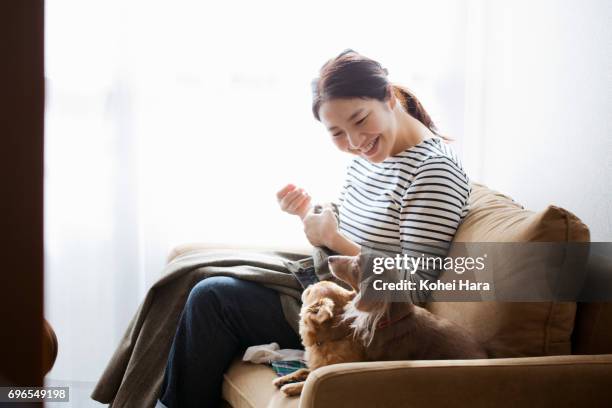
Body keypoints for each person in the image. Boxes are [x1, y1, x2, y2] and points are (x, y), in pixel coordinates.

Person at [157, 49, 470, 408]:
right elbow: (359, 230)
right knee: (194, 273)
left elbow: (413, 291)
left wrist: (332, 238)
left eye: (359, 119)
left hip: (362, 314)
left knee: (212, 298)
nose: (354, 142)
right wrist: (310, 214)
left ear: (388, 97)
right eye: (337, 132)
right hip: (328, 287)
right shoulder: (372, 157)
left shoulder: (433, 172)